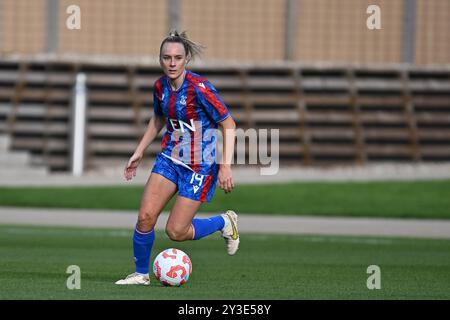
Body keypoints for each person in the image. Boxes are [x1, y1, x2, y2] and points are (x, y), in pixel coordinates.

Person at [115, 31, 239, 285]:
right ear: (160, 59)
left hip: (199, 167)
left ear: (186, 60)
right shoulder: (160, 86)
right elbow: (158, 118)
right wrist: (139, 151)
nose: (172, 63)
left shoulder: (200, 88)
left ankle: (223, 222)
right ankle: (140, 274)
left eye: (177, 58)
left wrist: (225, 167)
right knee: (145, 217)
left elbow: (229, 124)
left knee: (176, 231)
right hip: (169, 159)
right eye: (167, 57)